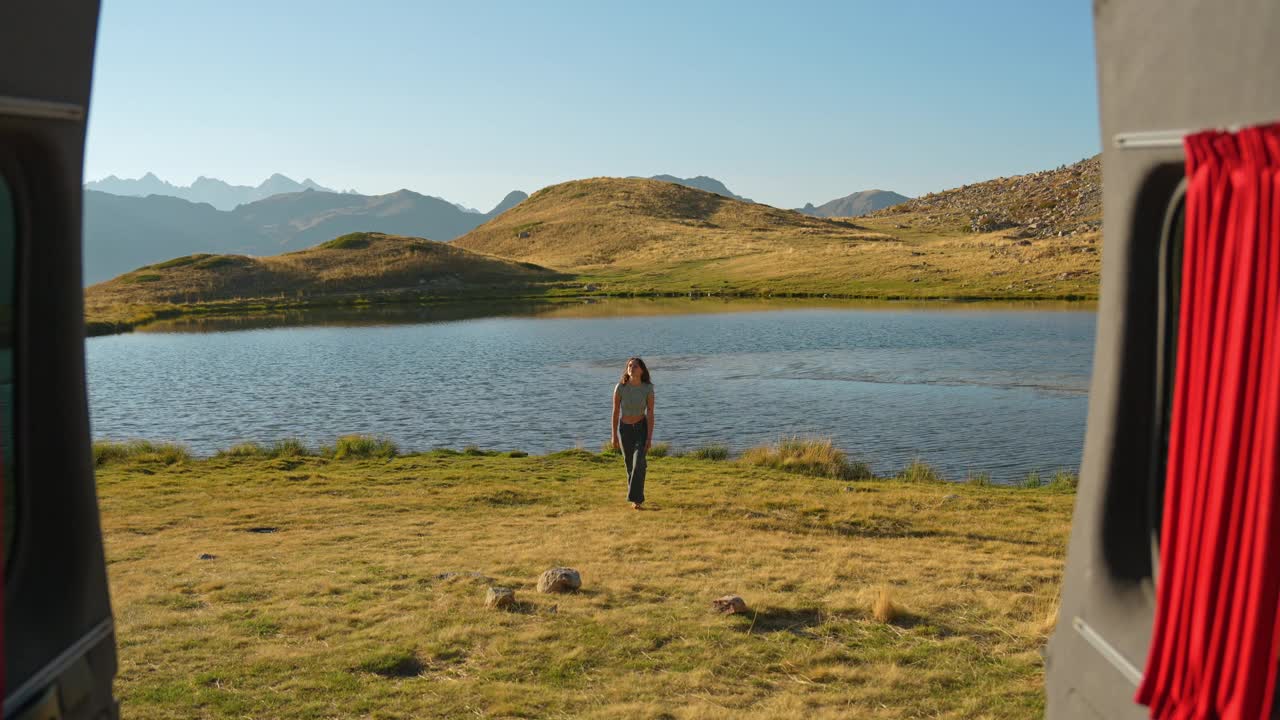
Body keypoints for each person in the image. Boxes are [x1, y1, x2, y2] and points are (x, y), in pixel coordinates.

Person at [611, 357, 654, 510]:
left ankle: (636, 499)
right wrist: (614, 435)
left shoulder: (647, 388)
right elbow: (615, 412)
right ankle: (636, 500)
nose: (632, 368)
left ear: (642, 370)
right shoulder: (620, 388)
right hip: (625, 430)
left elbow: (650, 413)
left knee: (638, 464)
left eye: (635, 366)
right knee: (630, 465)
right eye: (630, 366)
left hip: (641, 428)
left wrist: (649, 437)